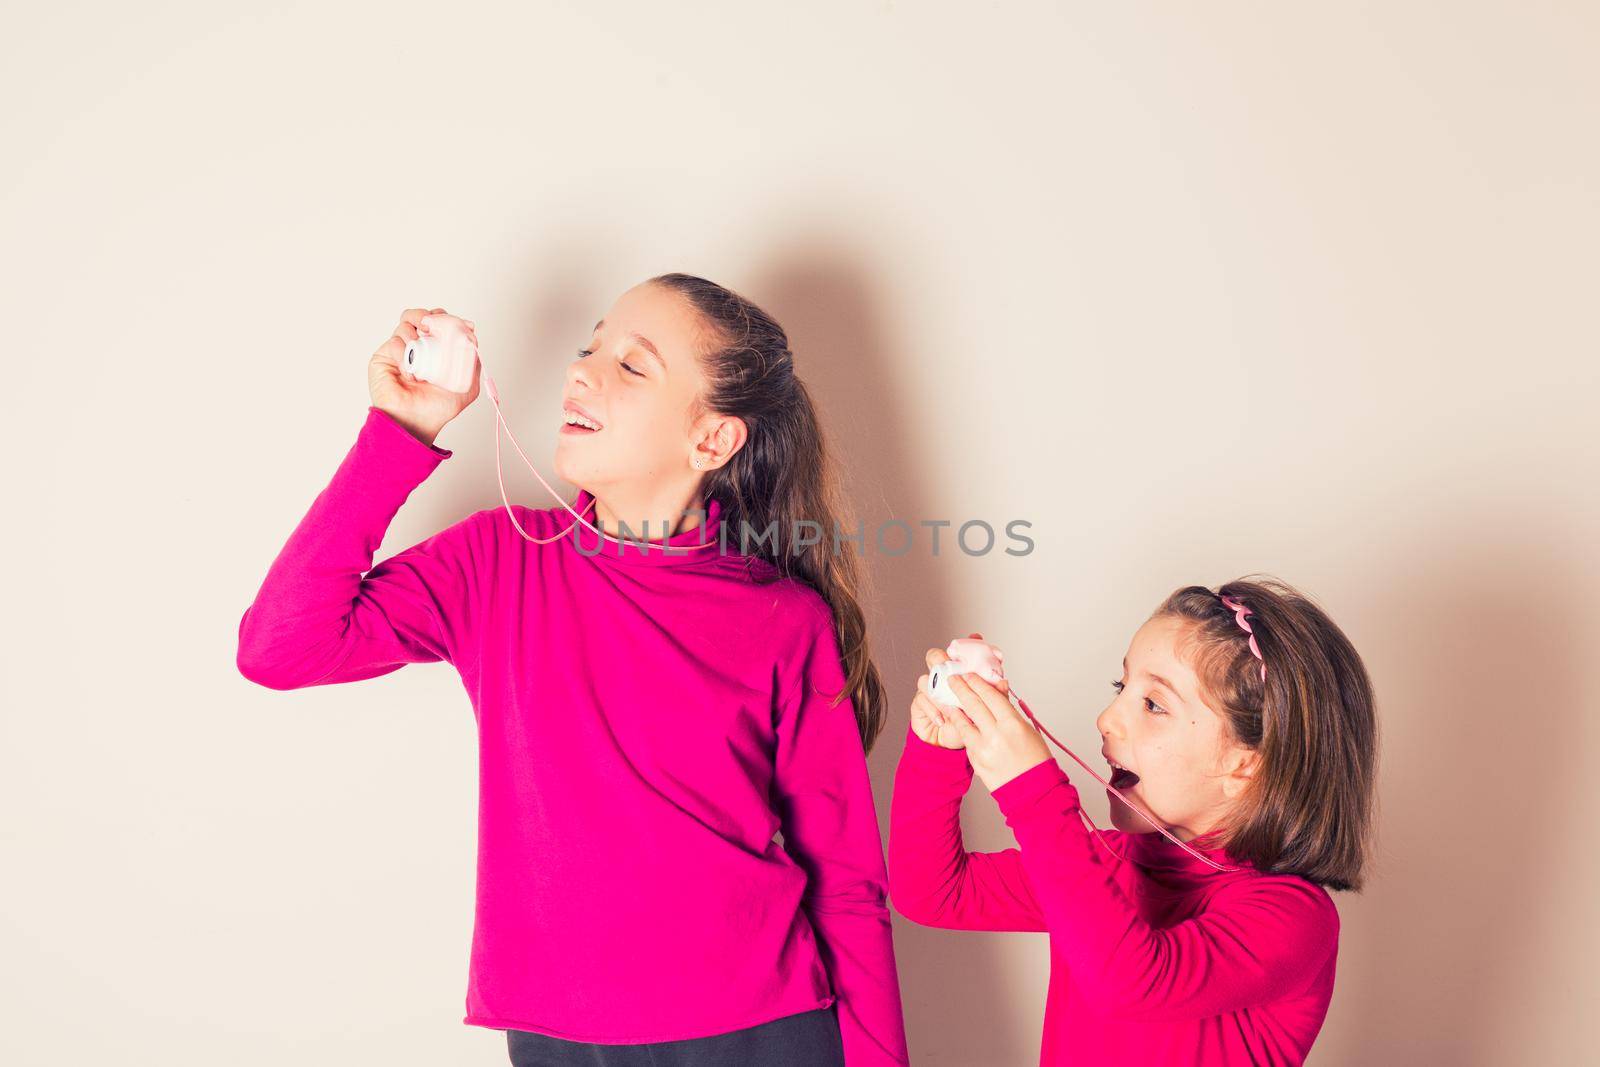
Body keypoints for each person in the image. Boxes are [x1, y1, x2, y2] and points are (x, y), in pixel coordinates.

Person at [237, 274, 909, 1066]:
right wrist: (398, 429)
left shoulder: (785, 619)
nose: (581, 371)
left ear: (712, 441)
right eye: (590, 347)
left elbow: (846, 882)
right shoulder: (497, 560)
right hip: (558, 1036)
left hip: (764, 1030)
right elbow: (280, 647)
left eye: (632, 365)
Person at [888, 579, 1378, 1065]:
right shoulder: (1103, 863)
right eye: (1121, 687)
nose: (1106, 718)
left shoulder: (1292, 917)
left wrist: (1034, 794)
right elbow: (931, 892)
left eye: (1153, 704)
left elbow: (1131, 984)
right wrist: (939, 751)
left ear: (1247, 765)